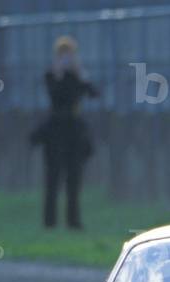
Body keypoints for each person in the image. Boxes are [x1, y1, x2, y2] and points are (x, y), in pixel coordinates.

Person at [30, 36, 98, 229]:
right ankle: (49, 222)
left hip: (74, 131)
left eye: (70, 54)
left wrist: (81, 74)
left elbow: (94, 94)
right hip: (55, 131)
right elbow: (54, 95)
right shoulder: (51, 75)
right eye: (63, 55)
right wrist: (58, 73)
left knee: (74, 178)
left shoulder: (78, 76)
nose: (67, 58)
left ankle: (73, 221)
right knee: (52, 178)